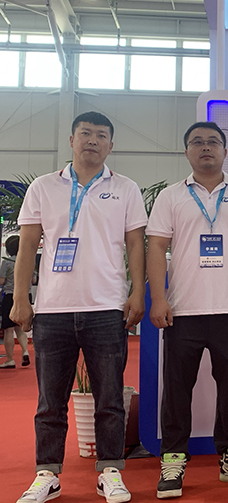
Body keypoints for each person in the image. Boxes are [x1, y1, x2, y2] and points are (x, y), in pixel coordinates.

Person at [12, 111, 147, 503]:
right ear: (71, 140)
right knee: (49, 402)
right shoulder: (43, 187)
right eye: (85, 133)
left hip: (106, 307)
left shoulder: (125, 188)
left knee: (109, 398)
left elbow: (135, 244)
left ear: (111, 145)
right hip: (52, 309)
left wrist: (138, 292)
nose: (92, 140)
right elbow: (27, 245)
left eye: (101, 135)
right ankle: (47, 475)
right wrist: (21, 297)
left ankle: (110, 471)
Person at [147, 122, 228, 499]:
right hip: (183, 310)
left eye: (213, 142)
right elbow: (156, 247)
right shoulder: (171, 196)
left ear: (225, 151)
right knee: (177, 389)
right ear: (186, 152)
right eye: (197, 142)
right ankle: (173, 458)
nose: (205, 148)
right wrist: (159, 298)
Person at [1, 235, 31, 369]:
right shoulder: (28, 260)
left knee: (8, 329)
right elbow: (34, 280)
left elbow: (2, 280)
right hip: (26, 296)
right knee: (20, 327)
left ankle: (10, 359)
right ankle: (25, 352)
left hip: (10, 296)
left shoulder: (6, 262)